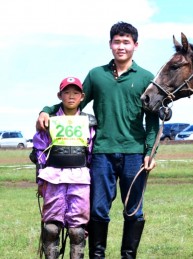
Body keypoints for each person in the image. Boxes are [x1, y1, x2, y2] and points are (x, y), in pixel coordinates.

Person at [36, 22, 159, 258]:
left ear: (136, 45)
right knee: (98, 211)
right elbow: (73, 102)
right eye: (117, 42)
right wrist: (46, 110)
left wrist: (150, 153)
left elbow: (152, 121)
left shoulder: (146, 78)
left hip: (135, 154)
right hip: (102, 153)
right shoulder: (96, 75)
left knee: (134, 211)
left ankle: (128, 256)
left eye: (126, 42)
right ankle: (97, 256)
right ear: (110, 44)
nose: (121, 46)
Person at [30, 77, 96, 258]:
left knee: (77, 231)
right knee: (51, 228)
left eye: (75, 92)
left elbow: (91, 151)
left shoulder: (89, 122)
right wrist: (40, 179)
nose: (71, 96)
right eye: (67, 92)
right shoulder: (48, 121)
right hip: (53, 177)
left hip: (80, 178)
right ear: (60, 95)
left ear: (82, 96)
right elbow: (39, 151)